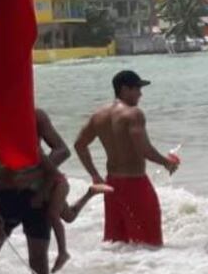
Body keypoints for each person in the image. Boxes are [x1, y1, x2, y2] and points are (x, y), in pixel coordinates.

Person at [0, 109, 108, 274]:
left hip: (39, 191)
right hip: (3, 196)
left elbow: (62, 150)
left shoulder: (35, 116)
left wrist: (36, 172)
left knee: (39, 263)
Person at [74, 70, 180, 247]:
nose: (140, 94)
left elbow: (79, 144)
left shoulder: (98, 115)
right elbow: (144, 149)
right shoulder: (133, 114)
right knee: (150, 243)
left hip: (111, 185)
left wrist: (94, 175)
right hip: (135, 184)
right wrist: (167, 162)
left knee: (117, 244)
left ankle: (118, 267)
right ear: (124, 89)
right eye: (137, 88)